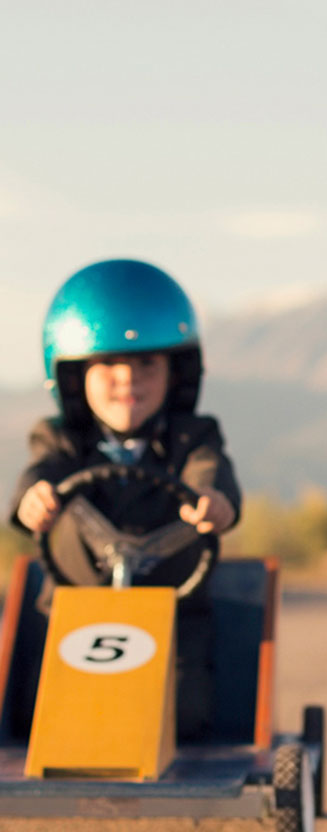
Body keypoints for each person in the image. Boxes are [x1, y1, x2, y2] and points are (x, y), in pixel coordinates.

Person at [9, 258, 241, 740]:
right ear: (74, 376)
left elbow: (210, 473)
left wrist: (212, 500)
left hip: (171, 613)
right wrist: (33, 499)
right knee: (39, 715)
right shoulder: (59, 439)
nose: (128, 379)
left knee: (186, 715)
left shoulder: (193, 436)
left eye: (146, 364)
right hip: (71, 611)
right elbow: (40, 473)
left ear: (176, 372)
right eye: (109, 364)